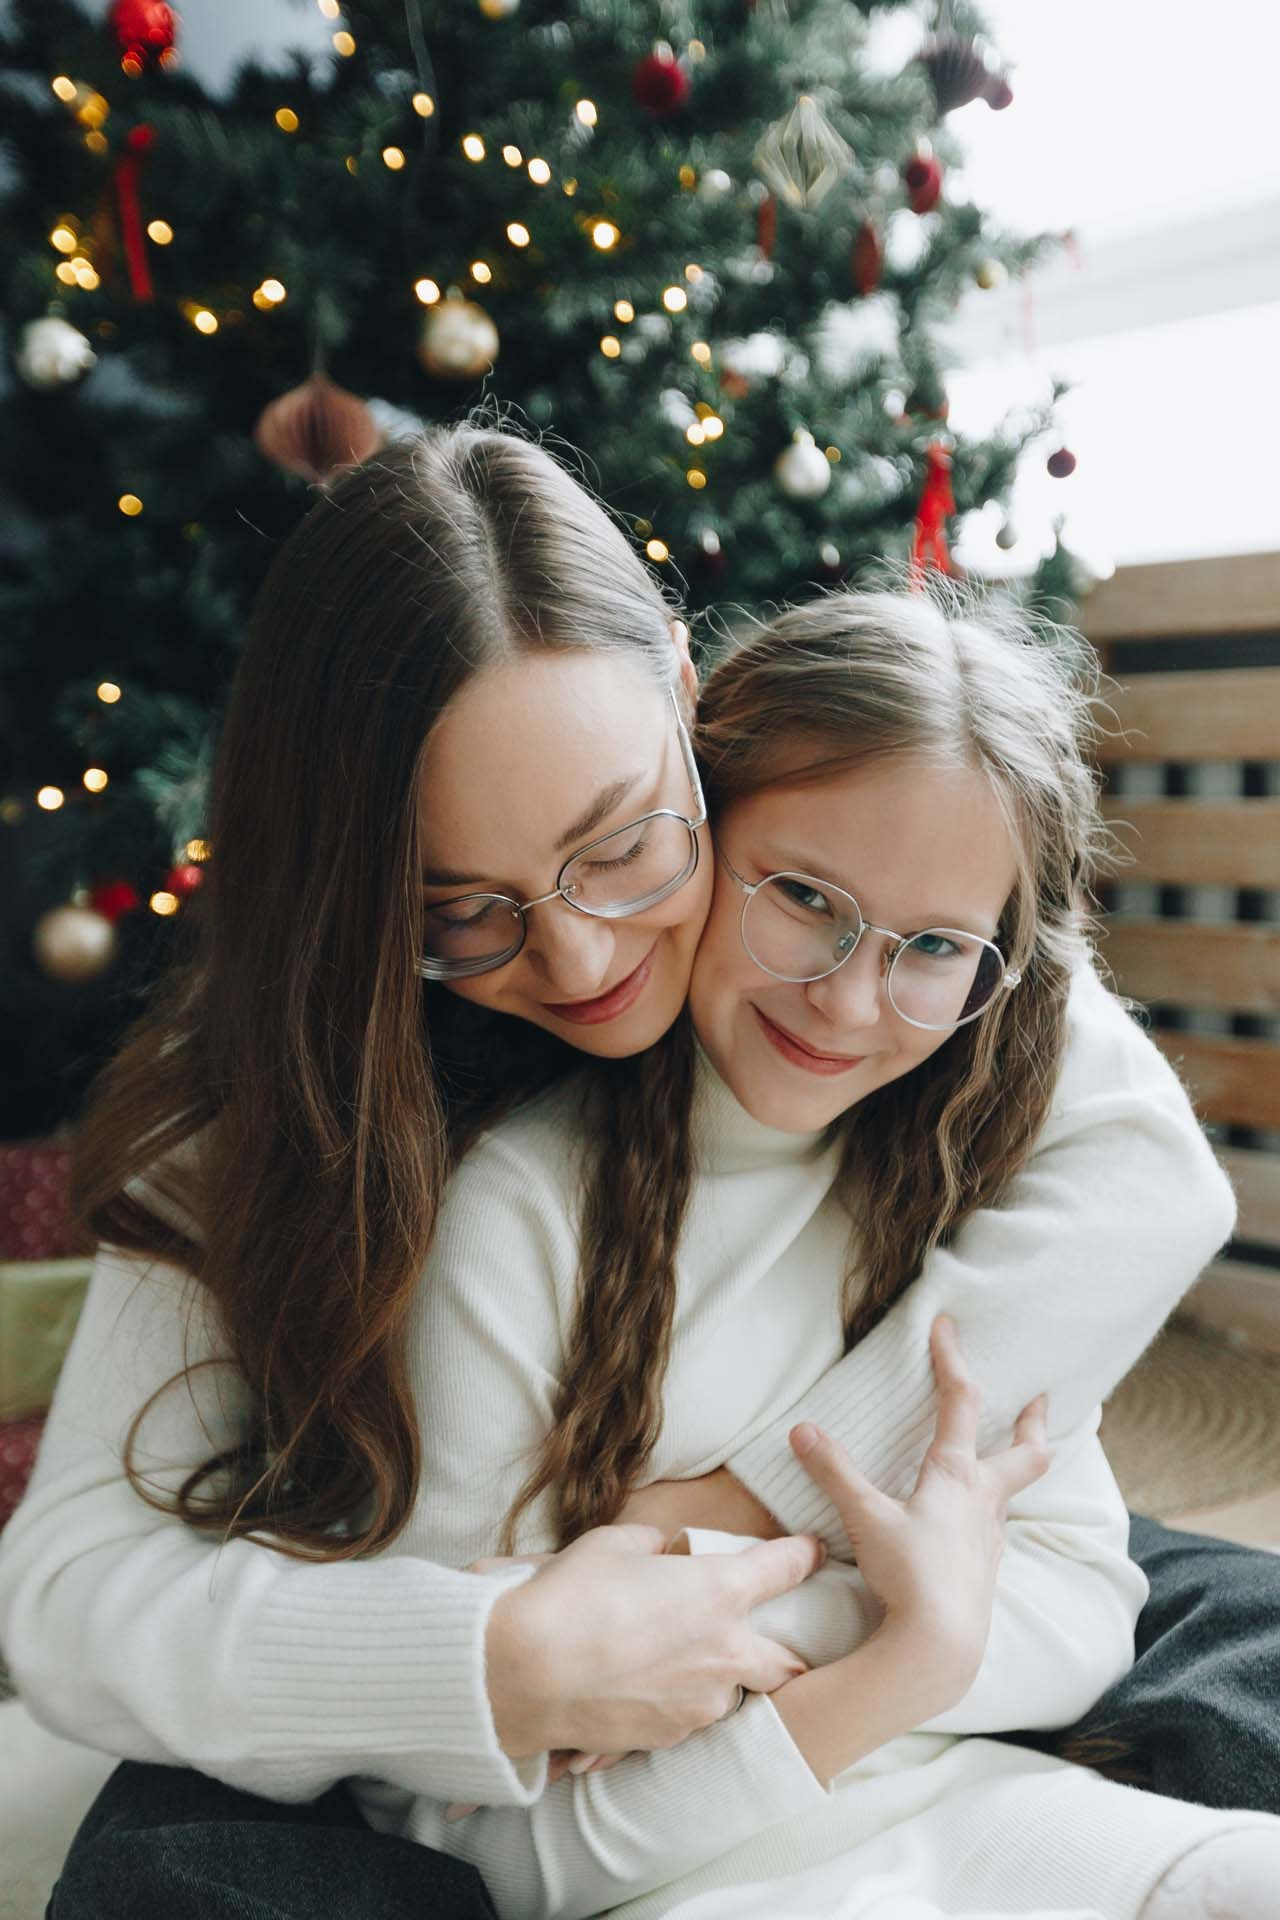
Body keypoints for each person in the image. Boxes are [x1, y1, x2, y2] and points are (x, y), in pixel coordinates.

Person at [0, 426, 1272, 1918]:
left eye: (624, 847)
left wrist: (741, 1513)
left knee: (1236, 1665)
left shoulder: (843, 893)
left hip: (799, 1569)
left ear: (691, 702)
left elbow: (1144, 1171)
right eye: (461, 910)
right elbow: (70, 1602)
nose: (585, 958)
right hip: (410, 1646)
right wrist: (497, 1658)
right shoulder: (274, 1114)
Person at [352, 588, 1280, 1919]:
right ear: (688, 829)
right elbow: (461, 1825)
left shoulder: (966, 1177)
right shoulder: (525, 1213)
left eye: (937, 948)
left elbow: (1083, 1609)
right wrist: (907, 1641)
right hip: (690, 1873)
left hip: (1018, 1812)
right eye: (802, 896)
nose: (849, 998)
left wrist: (753, 1602)